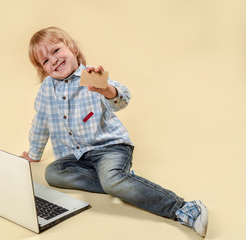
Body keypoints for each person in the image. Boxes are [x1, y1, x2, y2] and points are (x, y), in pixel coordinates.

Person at [20, 26, 208, 237]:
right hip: (78, 156)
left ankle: (183, 208)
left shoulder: (89, 75)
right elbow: (41, 123)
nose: (53, 60)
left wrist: (106, 90)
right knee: (53, 173)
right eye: (45, 61)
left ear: (71, 48)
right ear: (42, 69)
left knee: (111, 180)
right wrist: (33, 154)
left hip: (110, 148)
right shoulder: (46, 90)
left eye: (55, 51)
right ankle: (120, 180)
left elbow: (123, 98)